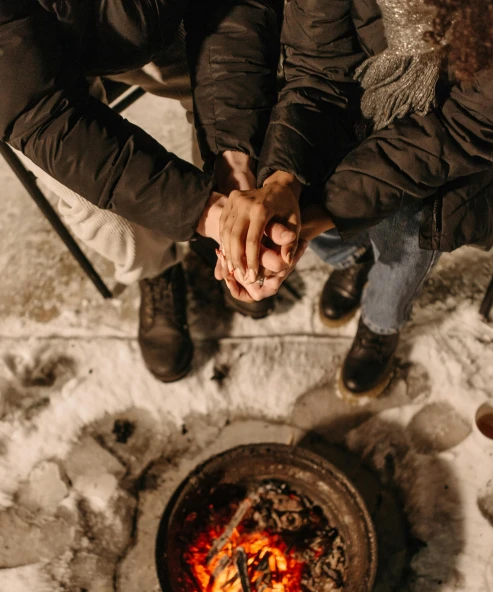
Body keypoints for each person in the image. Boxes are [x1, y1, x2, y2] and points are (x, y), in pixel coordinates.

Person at [217, 0, 493, 396]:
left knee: (406, 237)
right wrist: (282, 185)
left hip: (451, 153)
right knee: (313, 172)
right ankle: (352, 258)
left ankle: (380, 323)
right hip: (358, 102)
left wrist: (322, 215)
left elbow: (465, 128)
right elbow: (315, 68)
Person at [0, 0, 293, 382]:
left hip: (166, 17)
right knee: (93, 197)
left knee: (249, 99)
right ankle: (156, 267)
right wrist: (204, 211)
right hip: (28, 61)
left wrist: (234, 166)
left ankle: (222, 238)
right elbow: (39, 113)